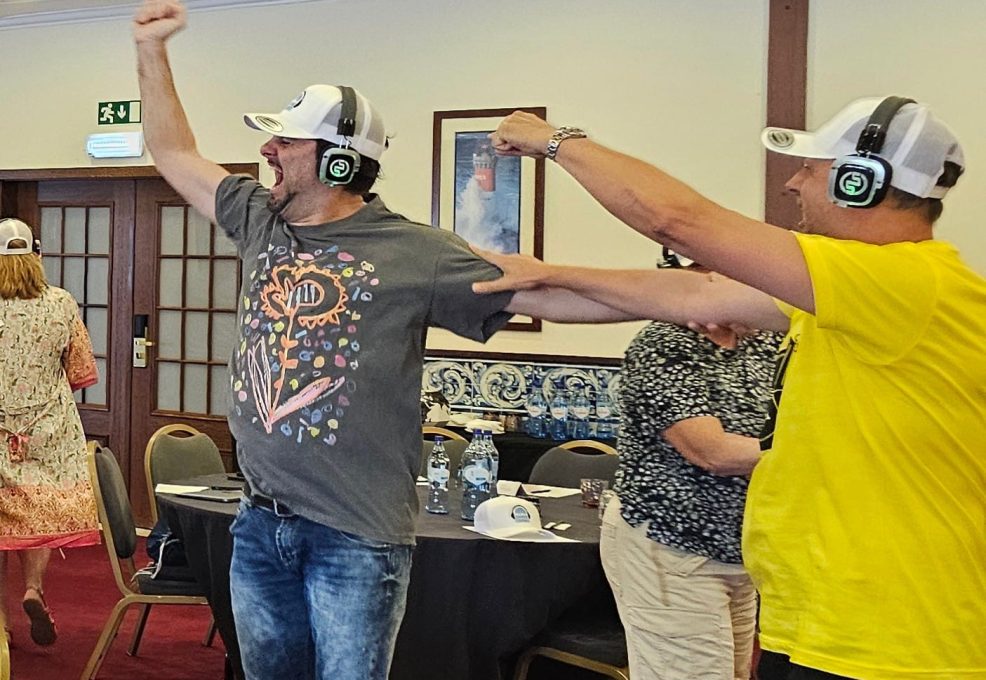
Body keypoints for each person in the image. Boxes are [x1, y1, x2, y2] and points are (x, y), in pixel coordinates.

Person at [132, 2, 633, 678]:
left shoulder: (416, 252)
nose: (266, 152)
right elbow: (171, 151)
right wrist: (151, 50)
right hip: (258, 524)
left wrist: (682, 301)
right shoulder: (260, 219)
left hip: (355, 537)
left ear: (340, 164)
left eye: (287, 143)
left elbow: (548, 295)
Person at [474, 98, 986, 679]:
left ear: (858, 182)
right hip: (833, 621)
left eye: (810, 169)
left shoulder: (900, 281)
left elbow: (677, 220)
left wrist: (555, 140)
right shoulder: (859, 295)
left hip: (889, 639)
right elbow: (694, 294)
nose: (794, 184)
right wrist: (543, 274)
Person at [600, 247, 781, 680]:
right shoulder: (663, 344)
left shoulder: (763, 340)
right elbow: (711, 452)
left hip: (739, 553)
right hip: (670, 545)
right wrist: (805, 452)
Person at [0, 217, 100, 648]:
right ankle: (33, 590)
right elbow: (80, 370)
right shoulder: (60, 302)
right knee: (34, 518)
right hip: (47, 432)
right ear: (36, 256)